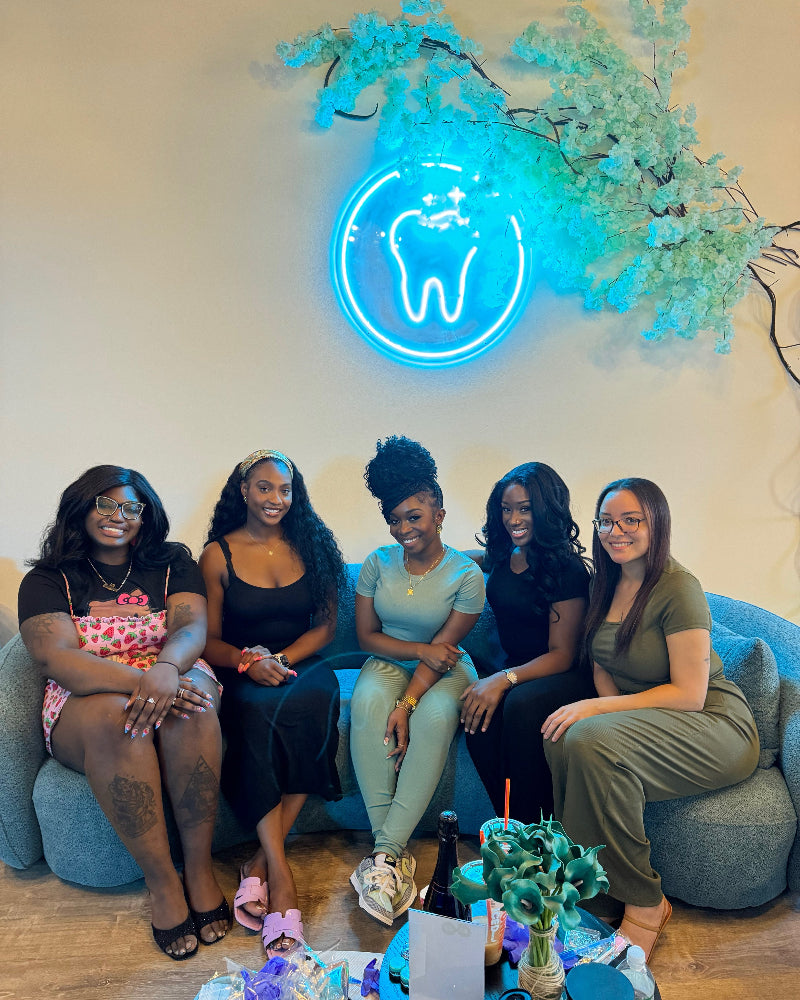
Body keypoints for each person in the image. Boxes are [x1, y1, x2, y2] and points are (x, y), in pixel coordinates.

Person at [542, 478, 759, 960]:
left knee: (588, 735)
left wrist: (598, 713)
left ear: (656, 522)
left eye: (630, 520)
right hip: (649, 718)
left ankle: (645, 903)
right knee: (563, 735)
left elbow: (689, 693)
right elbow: (602, 664)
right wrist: (597, 713)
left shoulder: (679, 587)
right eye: (606, 521)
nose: (615, 531)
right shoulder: (608, 580)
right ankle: (587, 885)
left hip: (712, 722)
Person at [18, 465, 228, 961]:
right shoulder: (48, 578)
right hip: (90, 696)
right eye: (105, 504)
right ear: (81, 507)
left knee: (194, 712)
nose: (119, 517)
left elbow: (191, 628)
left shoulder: (172, 559)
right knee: (119, 719)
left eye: (131, 507)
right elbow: (59, 660)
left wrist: (169, 669)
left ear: (145, 514)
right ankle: (163, 885)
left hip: (171, 669)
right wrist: (148, 682)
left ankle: (198, 869)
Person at [199, 448, 346, 956]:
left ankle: (260, 863)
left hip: (302, 664)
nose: (276, 499)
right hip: (241, 669)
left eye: (285, 490)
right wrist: (247, 662)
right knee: (256, 713)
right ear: (243, 490)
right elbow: (206, 639)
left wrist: (279, 659)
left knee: (313, 705)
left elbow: (326, 627)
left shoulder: (314, 545)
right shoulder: (219, 554)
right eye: (264, 488)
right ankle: (281, 874)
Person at [349, 436, 486, 926]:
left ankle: (384, 855)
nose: (404, 528)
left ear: (440, 514)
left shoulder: (467, 575)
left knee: (431, 718)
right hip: (390, 659)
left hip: (446, 671)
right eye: (395, 518)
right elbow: (367, 637)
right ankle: (391, 858)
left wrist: (406, 704)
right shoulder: (376, 564)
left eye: (415, 516)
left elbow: (444, 653)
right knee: (365, 707)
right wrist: (417, 649)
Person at [460, 463, 591, 823]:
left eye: (524, 509)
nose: (513, 519)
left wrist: (504, 679)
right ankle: (511, 826)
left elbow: (563, 655)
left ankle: (538, 834)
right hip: (518, 669)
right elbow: (474, 560)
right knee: (476, 719)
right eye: (506, 509)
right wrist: (433, 558)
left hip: (561, 674)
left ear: (546, 510)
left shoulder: (566, 568)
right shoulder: (505, 555)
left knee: (517, 705)